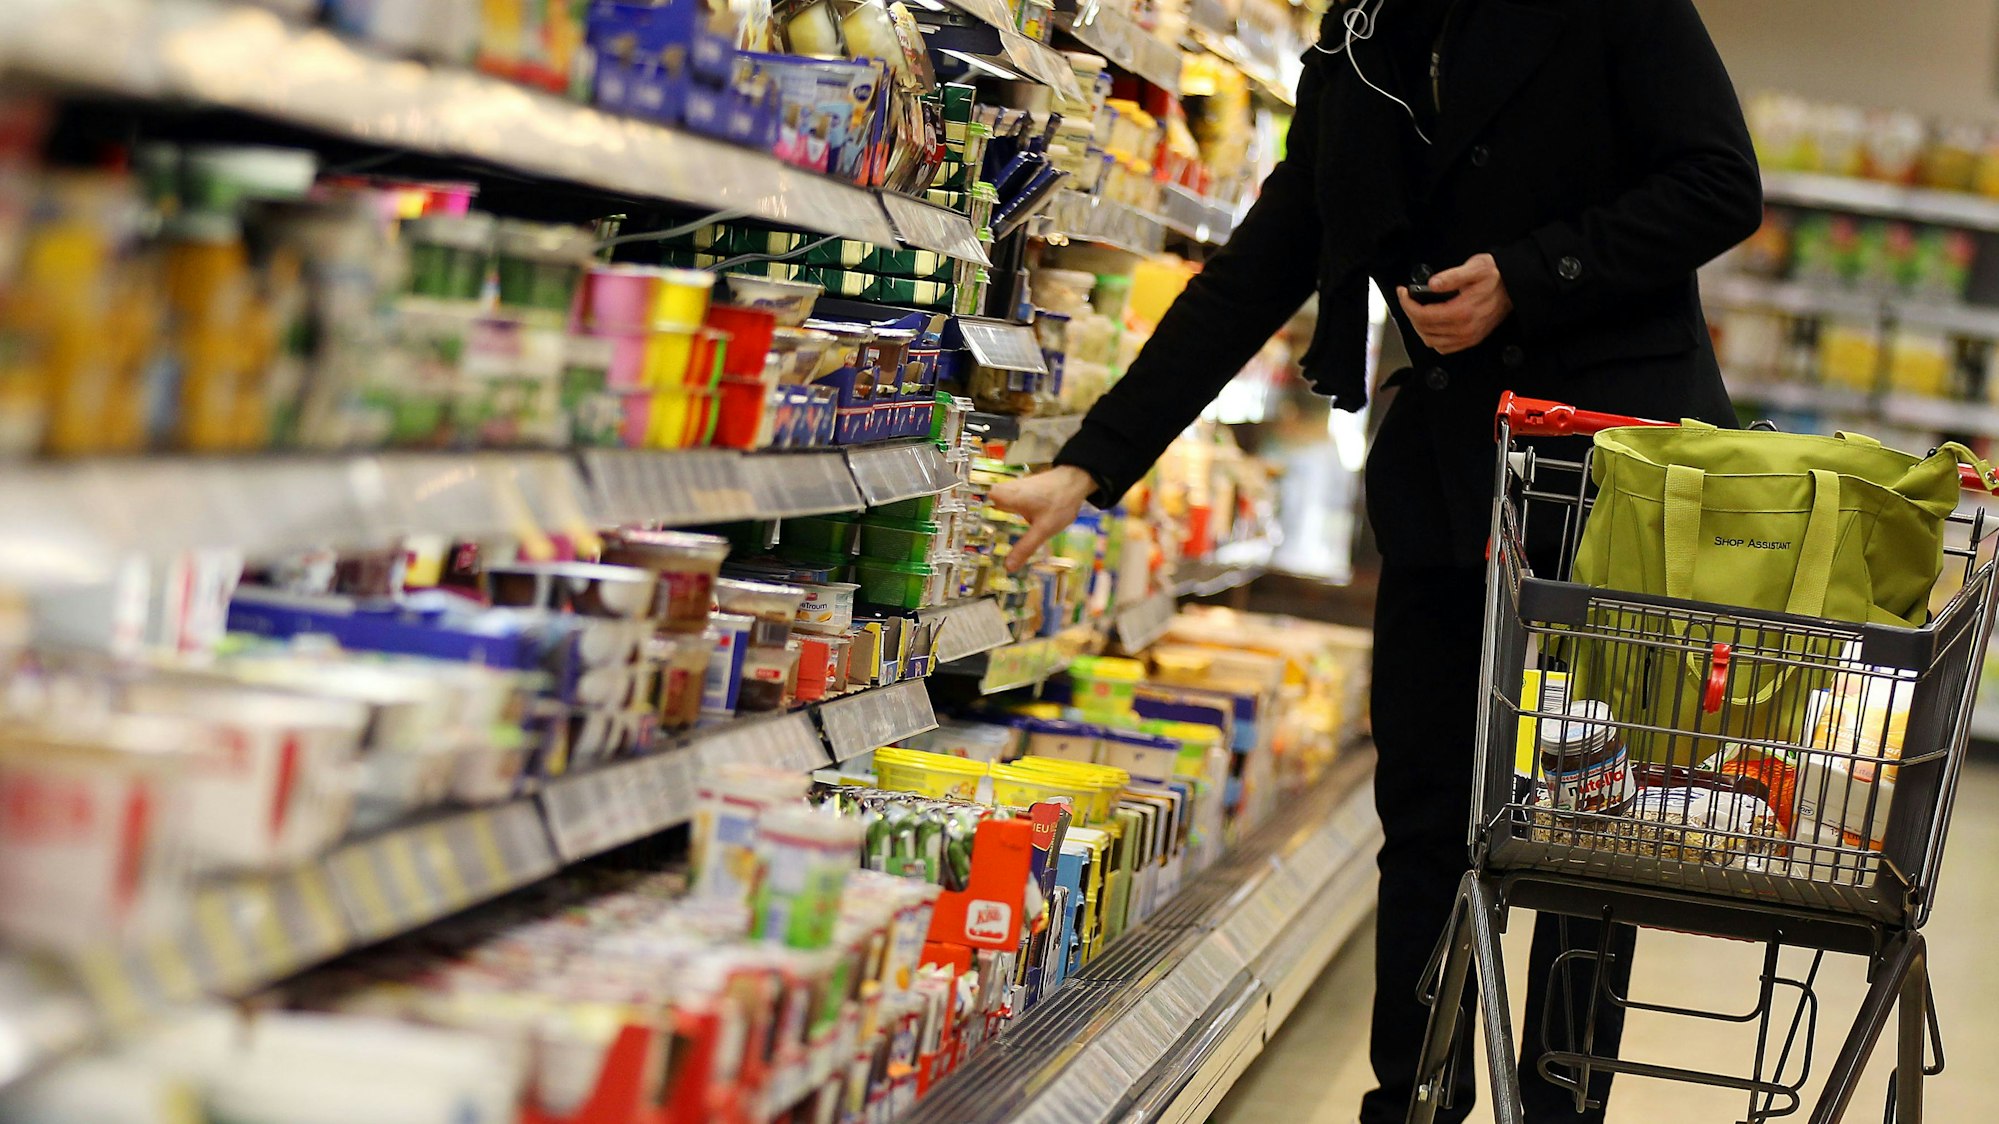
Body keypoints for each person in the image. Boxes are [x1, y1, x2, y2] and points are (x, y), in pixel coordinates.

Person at [987, 0, 1762, 1120]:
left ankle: (1557, 1105)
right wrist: (1092, 463)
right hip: (1450, 481)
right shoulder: (1361, 40)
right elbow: (1259, 266)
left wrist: (1531, 272)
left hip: (1612, 485)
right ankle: (1412, 1098)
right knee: (1428, 816)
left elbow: (1716, 182)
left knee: (1585, 840)